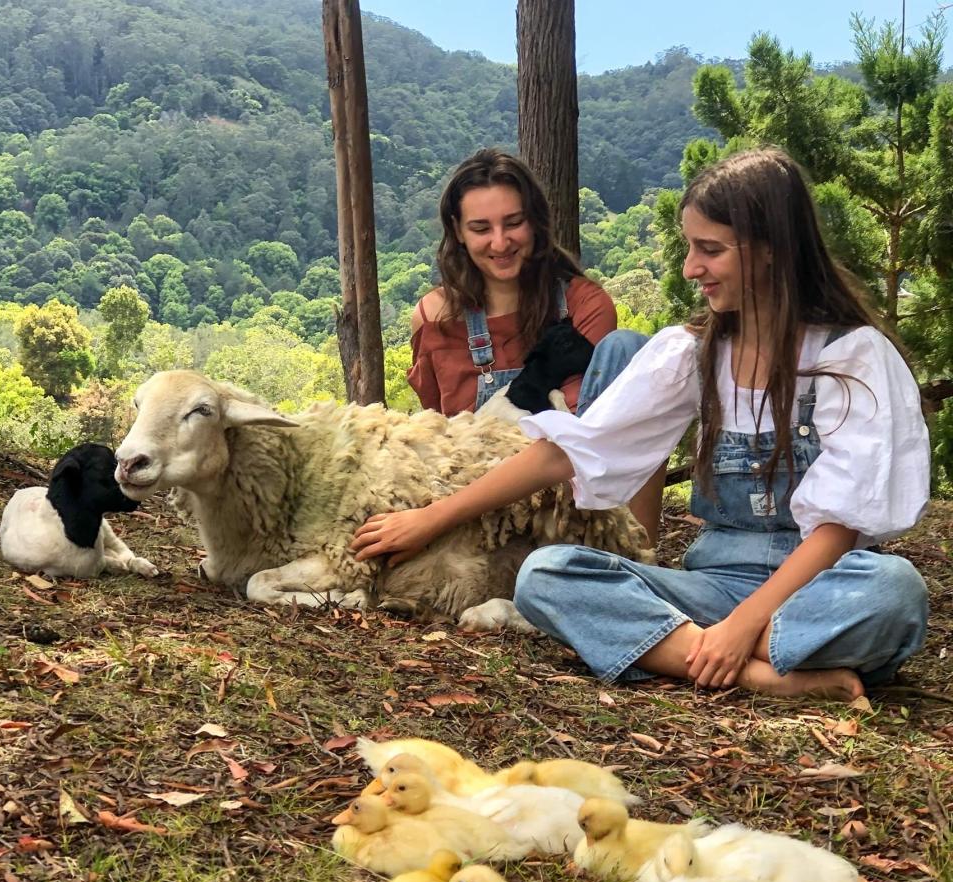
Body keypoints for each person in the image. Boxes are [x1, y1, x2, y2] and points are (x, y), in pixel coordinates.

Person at [353, 148, 930, 701]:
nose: (690, 268)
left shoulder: (852, 357)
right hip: (711, 587)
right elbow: (572, 451)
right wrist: (429, 519)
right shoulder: (690, 352)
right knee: (546, 574)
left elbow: (838, 529)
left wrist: (741, 627)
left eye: (709, 250)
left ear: (770, 249)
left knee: (894, 592)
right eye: (689, 247)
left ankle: (687, 650)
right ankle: (766, 675)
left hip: (816, 587)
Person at [410, 148, 664, 541]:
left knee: (631, 352)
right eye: (480, 228)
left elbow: (581, 443)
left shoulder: (583, 304)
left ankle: (632, 559)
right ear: (457, 231)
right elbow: (439, 433)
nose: (499, 242)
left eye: (513, 223)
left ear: (535, 223)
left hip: (571, 506)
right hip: (476, 511)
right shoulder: (434, 317)